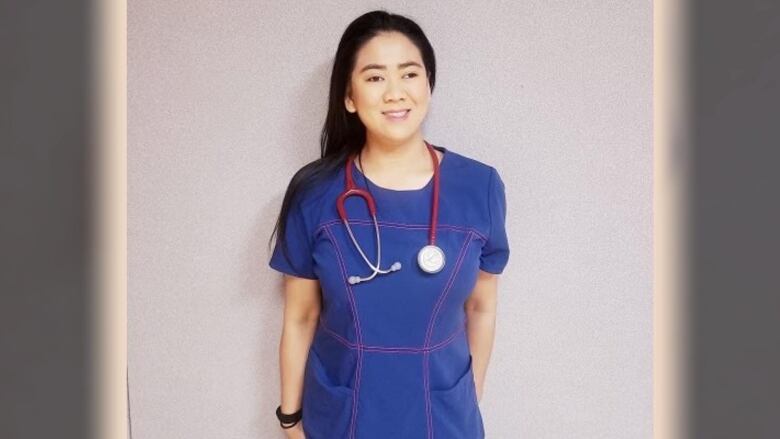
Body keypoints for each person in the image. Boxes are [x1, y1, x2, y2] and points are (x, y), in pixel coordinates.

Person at [267, 9, 509, 439]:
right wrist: (290, 420)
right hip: (343, 418)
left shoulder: (479, 188)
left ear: (428, 85)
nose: (395, 92)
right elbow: (301, 316)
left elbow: (481, 305)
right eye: (375, 77)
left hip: (443, 419)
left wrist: (467, 397)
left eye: (410, 74)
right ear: (349, 96)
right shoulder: (316, 194)